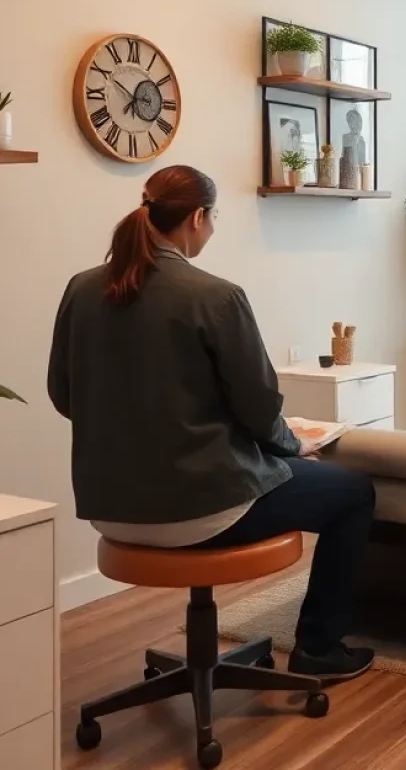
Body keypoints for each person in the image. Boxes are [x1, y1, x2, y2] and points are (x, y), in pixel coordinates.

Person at [47, 164, 375, 680]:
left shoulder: (81, 289)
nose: (213, 229)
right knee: (353, 491)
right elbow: (259, 408)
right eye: (214, 217)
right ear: (197, 217)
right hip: (202, 509)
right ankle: (318, 647)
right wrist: (293, 445)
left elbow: (63, 396)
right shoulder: (215, 295)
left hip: (109, 509)